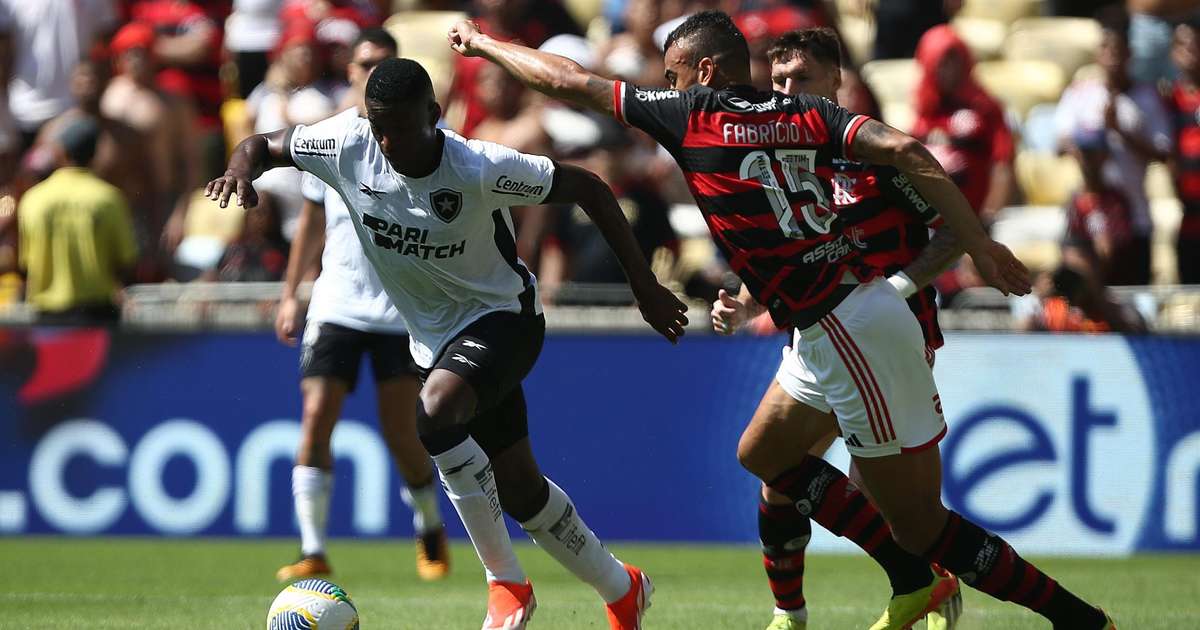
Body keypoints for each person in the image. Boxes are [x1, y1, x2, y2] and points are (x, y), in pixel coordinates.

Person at [451, 10, 1117, 630]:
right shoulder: (810, 116)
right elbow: (910, 153)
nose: (668, 86)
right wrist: (980, 243)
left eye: (675, 74)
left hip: (851, 326)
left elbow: (571, 82)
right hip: (824, 323)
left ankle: (1076, 620)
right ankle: (898, 585)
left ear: (704, 72)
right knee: (764, 455)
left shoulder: (692, 115)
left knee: (921, 526)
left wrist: (483, 44)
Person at [205, 57, 688, 630]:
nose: (386, 140)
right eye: (377, 125)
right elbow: (264, 143)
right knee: (520, 490)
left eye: (401, 127)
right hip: (434, 341)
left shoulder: (477, 167)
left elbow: (588, 187)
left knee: (433, 414)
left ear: (435, 115)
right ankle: (620, 586)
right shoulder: (345, 143)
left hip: (503, 318)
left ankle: (506, 582)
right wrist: (241, 166)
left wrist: (645, 286)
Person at [708, 28, 963, 630]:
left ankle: (932, 578)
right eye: (777, 81)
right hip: (818, 334)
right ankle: (788, 615)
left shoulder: (879, 151)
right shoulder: (774, 155)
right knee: (776, 470)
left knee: (887, 502)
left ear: (836, 82)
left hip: (885, 335)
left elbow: (954, 229)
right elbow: (782, 248)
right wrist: (746, 304)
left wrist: (895, 290)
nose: (787, 90)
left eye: (801, 78)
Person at [271, 26, 451, 584]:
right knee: (315, 418)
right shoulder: (327, 138)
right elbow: (309, 222)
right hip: (336, 304)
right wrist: (289, 292)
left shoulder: (419, 138)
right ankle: (313, 548)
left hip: (398, 311)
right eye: (365, 61)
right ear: (349, 70)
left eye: (385, 62)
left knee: (401, 434)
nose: (373, 69)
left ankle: (428, 528)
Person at [1055, 6, 1171, 285]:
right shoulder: (1081, 93)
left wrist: (1120, 129)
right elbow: (1060, 142)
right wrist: (1087, 153)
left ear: (1129, 53)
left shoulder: (1146, 98)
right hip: (1090, 216)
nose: (1112, 57)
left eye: (1118, 50)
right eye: (1106, 48)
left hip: (1135, 219)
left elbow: (1162, 153)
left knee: (1130, 293)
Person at [18, 118, 137, 324]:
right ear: (95, 155)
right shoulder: (108, 198)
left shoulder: (33, 199)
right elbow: (126, 260)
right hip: (97, 316)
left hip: (47, 316)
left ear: (60, 153)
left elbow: (26, 263)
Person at [911, 24, 1014, 228]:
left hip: (975, 220)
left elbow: (1002, 164)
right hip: (931, 219)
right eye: (941, 61)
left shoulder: (985, 107)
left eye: (954, 59)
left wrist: (988, 217)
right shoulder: (924, 110)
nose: (949, 68)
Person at [1062, 129, 1139, 287]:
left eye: (1093, 153)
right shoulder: (1074, 202)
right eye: (1084, 153)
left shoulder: (1116, 201)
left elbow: (1116, 250)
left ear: (1105, 156)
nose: (1088, 159)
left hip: (1116, 282)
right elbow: (1070, 247)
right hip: (1084, 282)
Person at [1166, 19, 1200, 283]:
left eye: (1195, 43)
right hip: (1190, 225)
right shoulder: (1167, 101)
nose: (1190, 50)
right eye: (1182, 44)